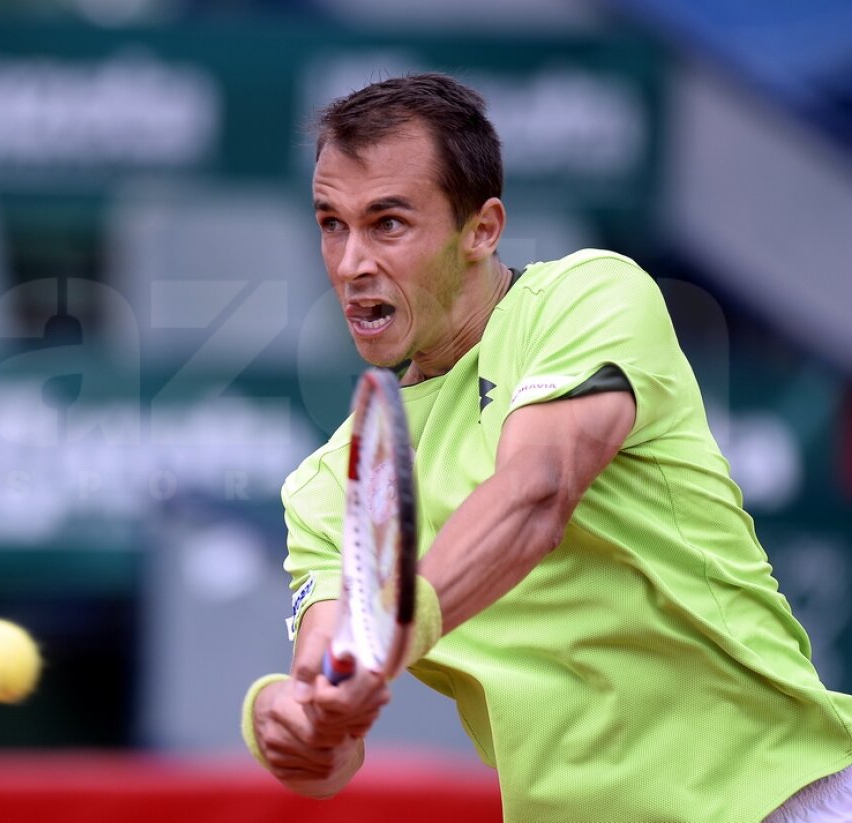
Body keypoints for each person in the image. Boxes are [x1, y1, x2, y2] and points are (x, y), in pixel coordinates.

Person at [239, 73, 852, 821]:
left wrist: (394, 627)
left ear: (482, 229)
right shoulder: (324, 484)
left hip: (777, 796)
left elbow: (537, 491)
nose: (349, 262)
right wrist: (295, 718)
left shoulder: (588, 297)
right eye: (331, 223)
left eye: (388, 223)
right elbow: (329, 713)